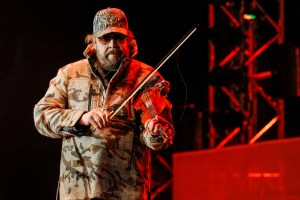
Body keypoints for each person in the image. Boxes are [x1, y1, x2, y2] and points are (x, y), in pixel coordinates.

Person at [33, 7, 175, 200]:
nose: (112, 44)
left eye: (119, 38)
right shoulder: (69, 73)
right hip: (77, 190)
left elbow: (160, 138)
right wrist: (81, 117)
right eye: (105, 39)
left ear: (129, 41)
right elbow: (42, 115)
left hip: (127, 190)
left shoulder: (147, 77)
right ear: (92, 42)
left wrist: (155, 132)